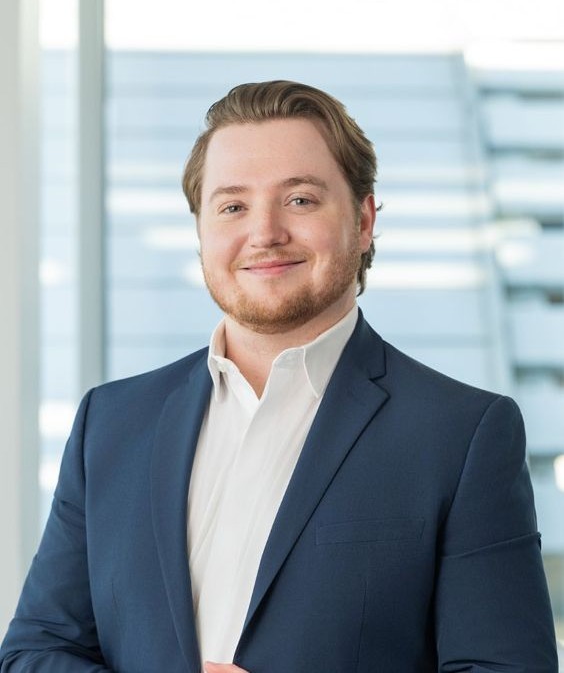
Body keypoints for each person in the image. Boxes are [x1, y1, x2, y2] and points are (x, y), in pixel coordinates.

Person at [0, 80, 558, 672]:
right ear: (201, 231)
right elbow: (35, 653)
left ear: (364, 220)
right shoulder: (111, 425)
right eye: (232, 207)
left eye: (300, 200)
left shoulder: (462, 435)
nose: (264, 233)